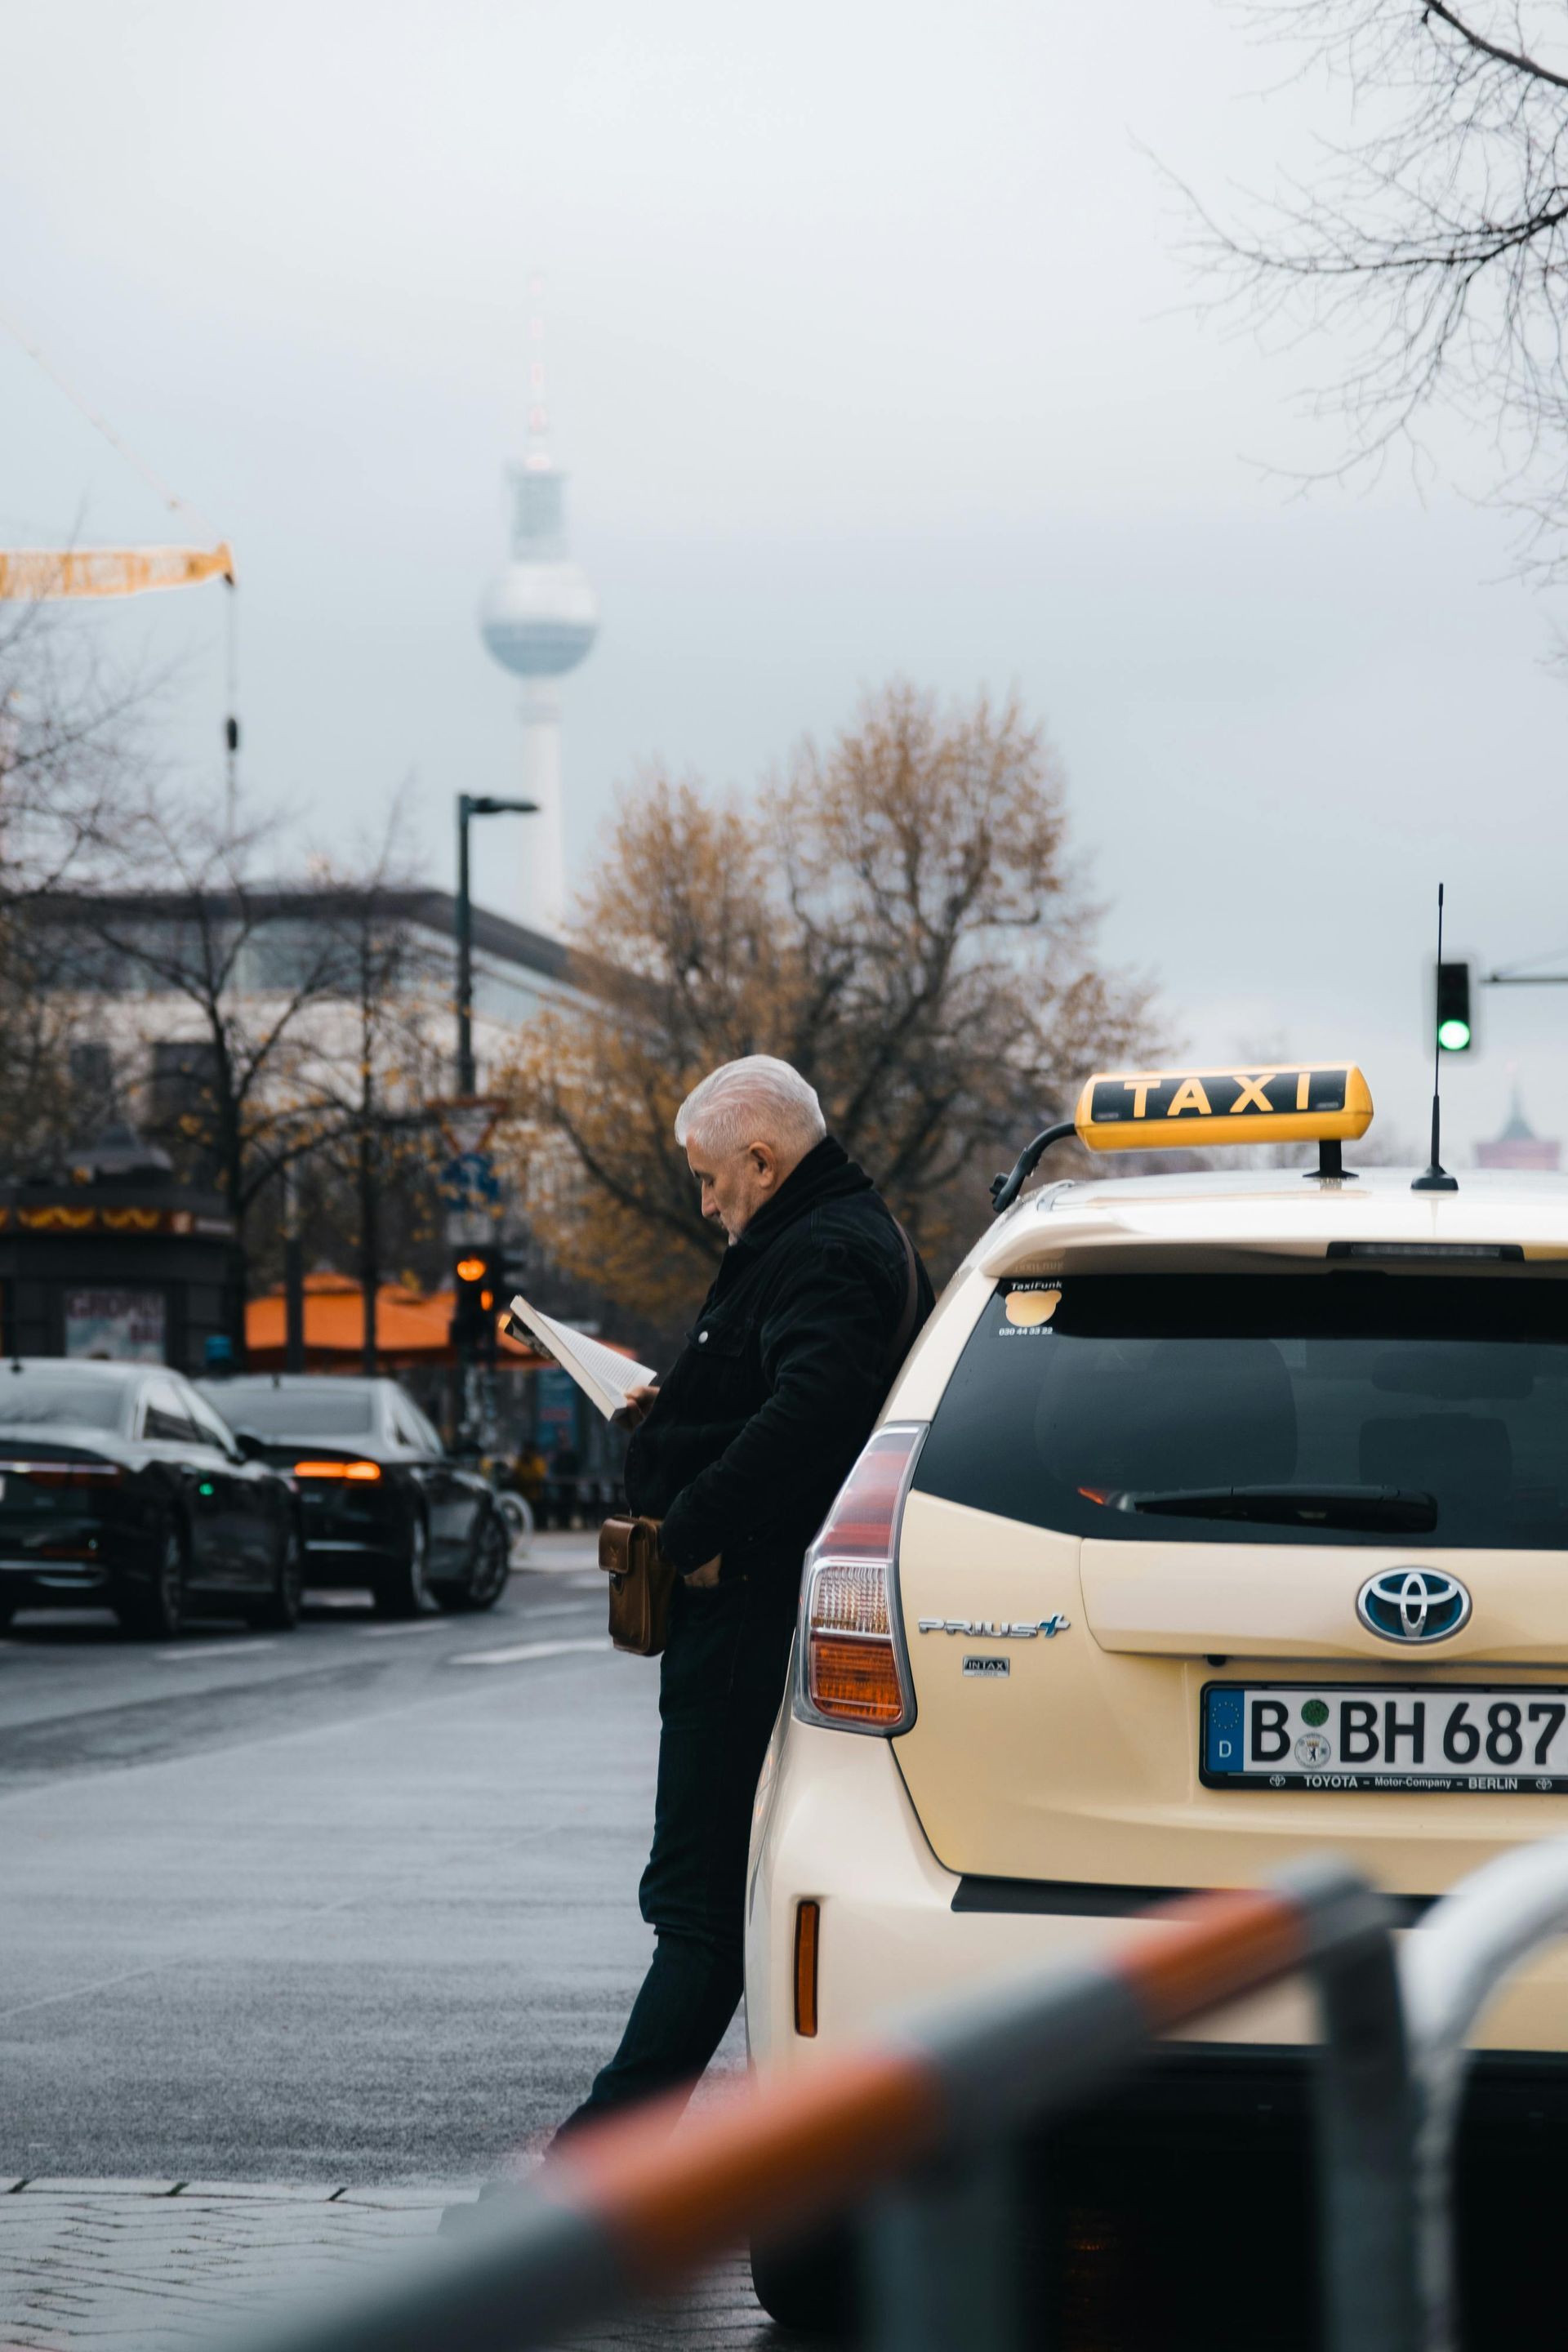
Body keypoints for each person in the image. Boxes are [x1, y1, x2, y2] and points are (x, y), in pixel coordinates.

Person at [556, 1054, 933, 2136]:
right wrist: (669, 1416)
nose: (705, 1198)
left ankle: (599, 2179)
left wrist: (687, 1530)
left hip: (748, 1611)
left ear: (760, 1160)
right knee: (708, 1905)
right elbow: (783, 1395)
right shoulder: (829, 1239)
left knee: (699, 1906)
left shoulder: (818, 1251)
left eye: (711, 1178)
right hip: (753, 1601)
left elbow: (810, 1413)